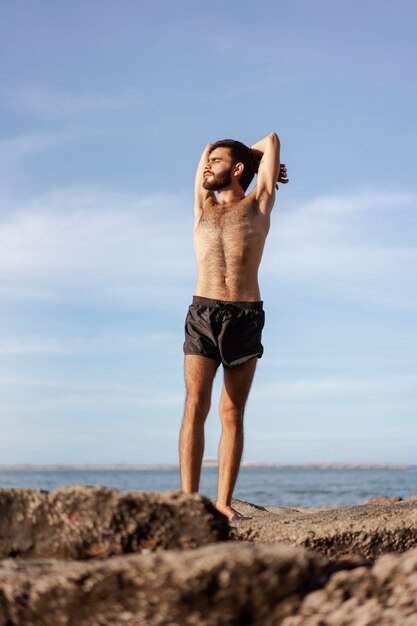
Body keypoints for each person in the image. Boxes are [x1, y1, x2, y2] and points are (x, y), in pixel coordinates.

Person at [179, 133, 288, 521]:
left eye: (219, 162)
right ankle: (189, 502)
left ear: (238, 169)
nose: (208, 166)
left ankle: (223, 502)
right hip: (203, 312)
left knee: (232, 411)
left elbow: (271, 139)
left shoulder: (259, 203)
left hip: (244, 314)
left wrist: (260, 164)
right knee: (195, 404)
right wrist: (223, 155)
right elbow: (205, 147)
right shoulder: (202, 207)